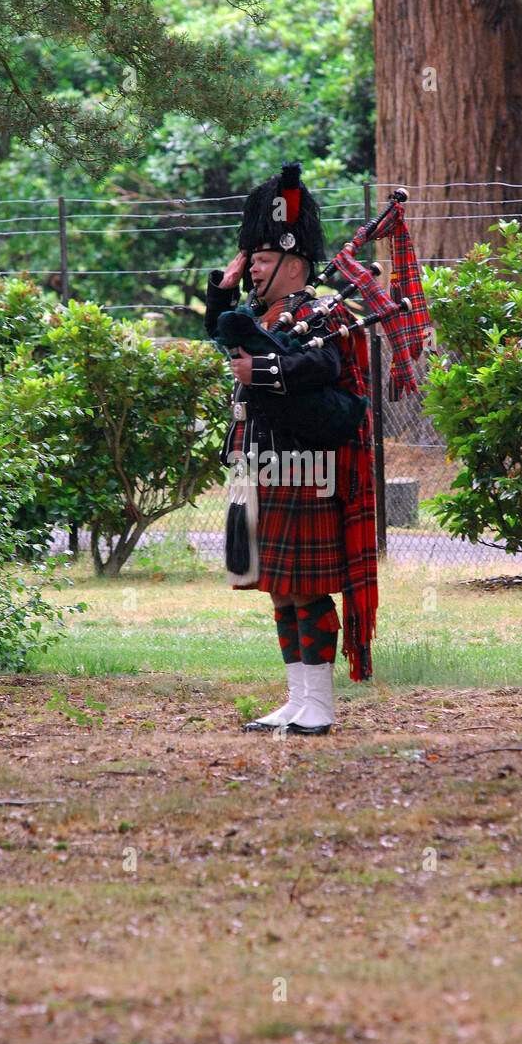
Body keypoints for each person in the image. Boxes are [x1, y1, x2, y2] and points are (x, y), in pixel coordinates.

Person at [205, 162, 378, 735]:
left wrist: (266, 368)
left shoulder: (320, 312)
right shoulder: (260, 314)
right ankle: (297, 698)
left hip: (303, 471)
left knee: (304, 589)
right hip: (259, 470)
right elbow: (225, 332)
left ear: (293, 261)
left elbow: (323, 365)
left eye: (259, 257)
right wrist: (222, 293)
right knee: (277, 590)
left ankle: (320, 706)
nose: (250, 265)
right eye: (248, 257)